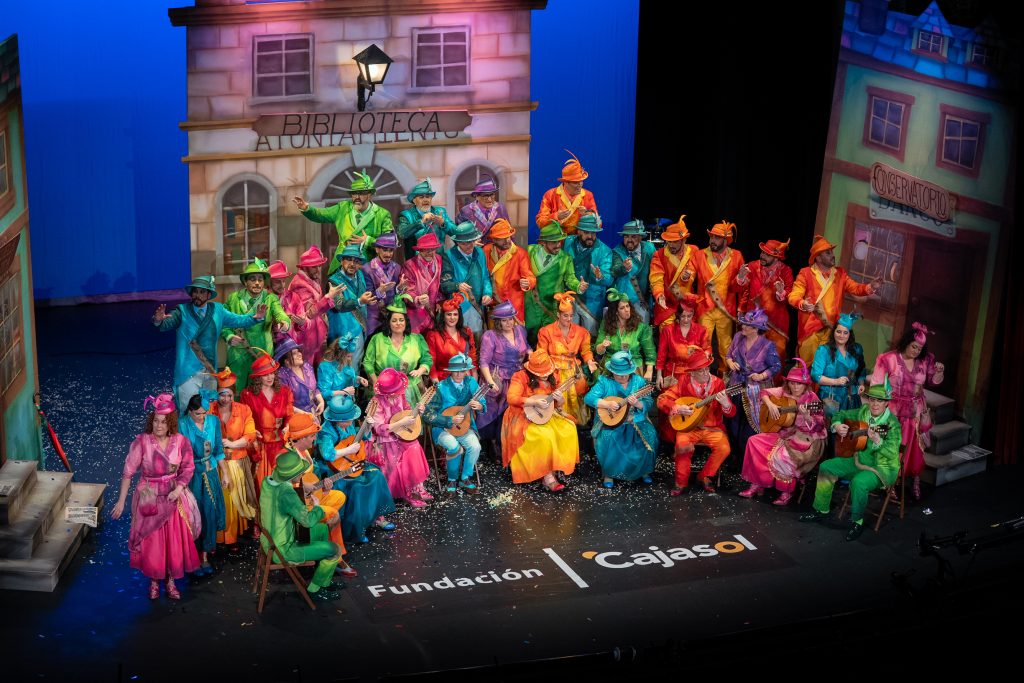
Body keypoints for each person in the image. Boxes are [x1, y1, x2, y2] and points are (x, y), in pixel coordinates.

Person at [111, 393, 201, 600]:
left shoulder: (181, 442)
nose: (158, 426)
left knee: (172, 542)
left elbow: (188, 468)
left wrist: (179, 488)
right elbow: (127, 473)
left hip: (172, 496)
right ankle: (154, 581)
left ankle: (170, 580)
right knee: (153, 543)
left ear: (170, 424)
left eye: (163, 422)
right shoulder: (142, 442)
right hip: (149, 496)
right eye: (155, 421)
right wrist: (121, 501)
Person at [799, 376, 902, 541]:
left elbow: (892, 453)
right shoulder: (863, 411)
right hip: (859, 460)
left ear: (887, 403)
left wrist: (878, 442)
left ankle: (857, 521)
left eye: (880, 401)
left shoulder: (892, 424)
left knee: (859, 482)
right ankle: (821, 510)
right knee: (826, 467)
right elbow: (840, 413)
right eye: (872, 399)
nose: (875, 404)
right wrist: (837, 425)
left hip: (881, 467)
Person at [153, 275, 264, 410]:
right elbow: (167, 323)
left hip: (210, 370)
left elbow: (237, 320)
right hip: (188, 372)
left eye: (202, 292)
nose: (197, 295)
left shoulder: (218, 310)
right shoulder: (182, 311)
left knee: (210, 410)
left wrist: (255, 318)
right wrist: (158, 320)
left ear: (209, 294)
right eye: (195, 291)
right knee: (188, 410)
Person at [869, 322, 946, 500]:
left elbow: (934, 381)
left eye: (920, 348)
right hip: (894, 410)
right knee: (894, 446)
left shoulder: (925, 360)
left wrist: (939, 371)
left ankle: (915, 479)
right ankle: (890, 481)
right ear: (906, 342)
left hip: (915, 411)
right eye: (914, 346)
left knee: (915, 448)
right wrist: (878, 407)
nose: (916, 351)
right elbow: (876, 384)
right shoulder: (888, 358)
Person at [739, 359, 827, 505]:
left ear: (805, 385)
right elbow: (764, 392)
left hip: (808, 438)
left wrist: (807, 417)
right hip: (785, 433)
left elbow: (819, 426)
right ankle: (757, 483)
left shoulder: (812, 399)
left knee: (782, 457)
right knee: (754, 441)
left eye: (799, 384)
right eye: (792, 383)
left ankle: (787, 491)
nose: (795, 387)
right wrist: (770, 404)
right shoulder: (784, 392)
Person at [259, 450, 343, 599]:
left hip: (269, 541)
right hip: (283, 550)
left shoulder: (268, 481)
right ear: (292, 475)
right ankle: (315, 589)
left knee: (322, 529)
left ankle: (322, 579)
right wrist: (317, 508)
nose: (302, 475)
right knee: (335, 550)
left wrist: (301, 490)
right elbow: (308, 521)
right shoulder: (287, 493)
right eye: (300, 472)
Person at [282, 413, 357, 579]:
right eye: (312, 435)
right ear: (302, 437)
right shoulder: (289, 457)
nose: (315, 438)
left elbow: (310, 480)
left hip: (310, 497)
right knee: (332, 515)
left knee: (338, 496)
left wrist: (322, 488)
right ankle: (336, 557)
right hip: (299, 506)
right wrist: (306, 494)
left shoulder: (304, 451)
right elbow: (286, 490)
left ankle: (321, 539)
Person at [788, 235, 880, 365]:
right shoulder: (806, 273)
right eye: (828, 253)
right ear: (818, 257)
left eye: (831, 252)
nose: (832, 255)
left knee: (825, 367)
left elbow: (856, 289)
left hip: (831, 329)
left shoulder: (840, 274)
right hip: (810, 329)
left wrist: (871, 287)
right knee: (805, 366)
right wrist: (803, 303)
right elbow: (793, 296)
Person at [316, 395, 396, 543]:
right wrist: (348, 450)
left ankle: (376, 517)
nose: (350, 422)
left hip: (354, 465)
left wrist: (368, 427)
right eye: (346, 420)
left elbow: (359, 438)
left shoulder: (350, 424)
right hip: (335, 471)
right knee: (357, 488)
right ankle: (356, 529)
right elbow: (327, 454)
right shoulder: (326, 432)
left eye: (351, 419)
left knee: (377, 476)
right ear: (336, 419)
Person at [657, 346, 736, 495]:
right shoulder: (684, 381)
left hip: (712, 427)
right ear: (692, 372)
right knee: (682, 446)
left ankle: (704, 476)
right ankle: (681, 483)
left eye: (707, 368)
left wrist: (726, 404)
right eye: (701, 370)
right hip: (689, 427)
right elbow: (662, 399)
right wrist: (677, 408)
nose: (706, 373)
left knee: (724, 448)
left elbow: (731, 413)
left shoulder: (718, 383)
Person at [501, 350, 580, 492]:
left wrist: (560, 400)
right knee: (545, 436)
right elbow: (511, 398)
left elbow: (556, 404)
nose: (545, 376)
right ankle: (547, 477)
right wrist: (533, 401)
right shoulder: (520, 376)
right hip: (522, 415)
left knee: (569, 428)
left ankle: (556, 466)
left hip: (546, 414)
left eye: (546, 373)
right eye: (541, 374)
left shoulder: (554, 376)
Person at [294, 169, 395, 271]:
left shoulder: (382, 215)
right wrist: (306, 208)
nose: (357, 197)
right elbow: (320, 214)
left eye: (361, 193)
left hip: (367, 268)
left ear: (369, 194)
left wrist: (368, 241)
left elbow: (390, 242)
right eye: (354, 194)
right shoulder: (343, 208)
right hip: (343, 264)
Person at [584, 351, 657, 488]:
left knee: (649, 435)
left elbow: (648, 401)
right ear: (612, 371)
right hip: (611, 422)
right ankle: (609, 473)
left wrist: (638, 404)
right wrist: (607, 404)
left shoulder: (639, 381)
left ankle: (643, 471)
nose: (623, 377)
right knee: (609, 437)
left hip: (635, 420)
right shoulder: (604, 381)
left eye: (626, 373)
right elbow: (589, 398)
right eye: (619, 374)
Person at [221, 258, 291, 391]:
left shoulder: (270, 298)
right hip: (238, 356)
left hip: (262, 356)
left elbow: (280, 314)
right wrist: (228, 336)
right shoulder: (233, 298)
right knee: (236, 392)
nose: (257, 283)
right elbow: (223, 321)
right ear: (245, 282)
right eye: (253, 279)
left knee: (260, 393)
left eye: (260, 279)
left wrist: (285, 323)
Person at [425, 353, 489, 495]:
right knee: (454, 447)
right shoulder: (441, 387)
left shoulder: (471, 382)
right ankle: (452, 479)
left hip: (464, 427)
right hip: (443, 428)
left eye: (463, 371)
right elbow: (427, 415)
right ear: (450, 371)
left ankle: (465, 478)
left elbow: (482, 402)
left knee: (475, 446)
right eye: (456, 371)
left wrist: (479, 406)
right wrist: (449, 420)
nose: (460, 374)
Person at [368, 368, 433, 508]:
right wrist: (400, 423)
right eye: (394, 393)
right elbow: (379, 429)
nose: (397, 394)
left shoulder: (400, 395)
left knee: (415, 447)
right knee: (399, 459)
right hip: (386, 440)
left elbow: (407, 411)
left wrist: (417, 412)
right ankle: (407, 493)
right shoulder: (376, 402)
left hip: (403, 435)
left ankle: (417, 488)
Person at [178, 391, 226, 576]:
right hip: (191, 475)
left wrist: (225, 473)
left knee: (209, 513)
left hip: (210, 473)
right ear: (190, 411)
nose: (202, 416)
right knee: (193, 515)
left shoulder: (213, 421)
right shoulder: (182, 424)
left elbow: (218, 450)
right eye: (198, 413)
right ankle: (193, 557)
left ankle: (205, 555)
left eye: (204, 413)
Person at [477, 301, 531, 462]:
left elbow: (527, 347)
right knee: (495, 413)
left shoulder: (520, 330)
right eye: (504, 320)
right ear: (498, 322)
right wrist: (490, 382)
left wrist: (532, 354)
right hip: (497, 377)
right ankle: (494, 444)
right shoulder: (490, 336)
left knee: (514, 412)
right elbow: (483, 362)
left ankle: (512, 442)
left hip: (517, 377)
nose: (508, 323)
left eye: (511, 319)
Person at [536, 292, 599, 424]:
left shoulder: (581, 332)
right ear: (558, 315)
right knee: (556, 400)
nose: (569, 319)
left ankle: (575, 426)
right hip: (554, 372)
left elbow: (586, 351)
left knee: (578, 398)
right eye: (565, 316)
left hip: (573, 372)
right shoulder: (546, 331)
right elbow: (541, 353)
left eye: (571, 316)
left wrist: (589, 361)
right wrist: (545, 373)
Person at [212, 369, 258, 548]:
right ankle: (217, 538)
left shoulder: (244, 410)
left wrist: (232, 444)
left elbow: (250, 435)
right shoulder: (209, 410)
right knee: (220, 501)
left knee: (235, 501)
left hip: (237, 463)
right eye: (222, 395)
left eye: (229, 395)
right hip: (217, 464)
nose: (226, 399)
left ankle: (232, 538)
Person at [693, 220, 745, 372]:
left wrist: (740, 279)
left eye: (716, 237)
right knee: (703, 344)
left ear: (725, 240)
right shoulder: (700, 255)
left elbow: (740, 288)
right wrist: (686, 276)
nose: (712, 240)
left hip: (726, 309)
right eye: (711, 237)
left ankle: (725, 377)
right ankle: (702, 376)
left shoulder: (736, 256)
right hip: (705, 307)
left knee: (726, 346)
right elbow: (689, 277)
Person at [362, 299, 432, 405]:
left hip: (411, 389)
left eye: (401, 320)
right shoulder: (377, 339)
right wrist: (376, 382)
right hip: (385, 389)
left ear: (406, 322)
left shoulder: (416, 339)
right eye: (394, 320)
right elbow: (368, 362)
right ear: (388, 323)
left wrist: (420, 370)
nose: (398, 323)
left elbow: (427, 359)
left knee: (411, 415)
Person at [283, 246, 343, 366]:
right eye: (314, 267)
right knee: (307, 370)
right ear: (305, 267)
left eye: (319, 266)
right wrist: (328, 297)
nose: (318, 270)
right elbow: (310, 313)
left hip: (316, 337)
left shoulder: (312, 280)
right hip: (306, 338)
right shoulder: (300, 284)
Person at [241, 352, 294, 487]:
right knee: (263, 486)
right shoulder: (248, 395)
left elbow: (289, 414)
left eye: (272, 373)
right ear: (258, 377)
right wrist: (251, 431)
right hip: (260, 447)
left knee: (282, 485)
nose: (270, 377)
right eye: (265, 375)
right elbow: (245, 419)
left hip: (280, 445)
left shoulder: (285, 391)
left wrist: (287, 426)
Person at [525, 222, 588, 335]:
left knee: (550, 337)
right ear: (543, 242)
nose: (558, 245)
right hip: (531, 306)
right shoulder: (530, 251)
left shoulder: (565, 258)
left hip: (551, 307)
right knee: (530, 338)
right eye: (554, 242)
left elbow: (570, 278)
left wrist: (579, 286)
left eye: (559, 241)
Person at [735, 238, 793, 359]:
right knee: (750, 356)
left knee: (776, 357)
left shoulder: (786, 271)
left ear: (776, 257)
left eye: (767, 254)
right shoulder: (752, 266)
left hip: (776, 322)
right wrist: (740, 277)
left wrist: (781, 292)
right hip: (753, 321)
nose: (762, 256)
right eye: (762, 252)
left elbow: (790, 296)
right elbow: (739, 290)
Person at [326, 244, 378, 364]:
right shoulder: (334, 281)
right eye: (349, 259)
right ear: (341, 261)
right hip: (342, 331)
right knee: (340, 365)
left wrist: (379, 292)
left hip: (360, 329)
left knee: (356, 365)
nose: (352, 264)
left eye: (356, 261)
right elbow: (339, 304)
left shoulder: (360, 275)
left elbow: (365, 296)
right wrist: (360, 301)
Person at [440, 221, 494, 336]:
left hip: (479, 304)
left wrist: (487, 293)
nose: (468, 245)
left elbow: (485, 277)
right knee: (465, 337)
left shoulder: (480, 252)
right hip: (460, 307)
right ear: (458, 242)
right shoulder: (449, 256)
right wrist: (457, 286)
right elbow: (444, 285)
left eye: (471, 242)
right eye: (464, 243)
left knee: (478, 335)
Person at [563, 213, 613, 336]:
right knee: (569, 335)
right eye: (586, 232)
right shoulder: (568, 242)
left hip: (592, 301)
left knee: (590, 336)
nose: (590, 236)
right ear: (579, 231)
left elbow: (609, 279)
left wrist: (600, 276)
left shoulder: (605, 251)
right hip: (570, 297)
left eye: (593, 233)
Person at [810, 313, 866, 420]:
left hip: (851, 399)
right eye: (838, 331)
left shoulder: (857, 349)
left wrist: (861, 384)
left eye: (845, 332)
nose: (841, 335)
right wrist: (836, 381)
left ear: (850, 334)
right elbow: (815, 376)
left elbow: (861, 369)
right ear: (833, 332)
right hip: (830, 398)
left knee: (849, 427)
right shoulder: (823, 350)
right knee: (829, 426)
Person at [594, 289, 655, 381]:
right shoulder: (606, 324)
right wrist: (603, 345)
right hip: (611, 365)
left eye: (627, 306)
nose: (627, 310)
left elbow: (649, 350)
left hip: (633, 365)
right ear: (616, 311)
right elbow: (598, 349)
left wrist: (649, 371)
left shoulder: (641, 327)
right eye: (622, 308)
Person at [483, 218, 535, 325]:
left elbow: (530, 277)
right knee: (494, 333)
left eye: (508, 237)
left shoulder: (520, 254)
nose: (507, 241)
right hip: (493, 305)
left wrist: (527, 282)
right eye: (502, 239)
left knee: (514, 333)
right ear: (494, 240)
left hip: (513, 305)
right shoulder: (486, 251)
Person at [649, 216, 698, 328]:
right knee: (667, 332)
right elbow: (656, 278)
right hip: (667, 304)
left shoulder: (694, 251)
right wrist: (659, 295)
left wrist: (687, 278)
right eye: (669, 241)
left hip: (687, 303)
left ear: (684, 240)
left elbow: (697, 273)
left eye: (675, 242)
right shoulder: (659, 255)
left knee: (686, 336)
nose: (671, 245)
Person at [535, 151, 598, 236]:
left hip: (579, 240)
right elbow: (540, 222)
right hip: (556, 240)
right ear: (566, 182)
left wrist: (587, 215)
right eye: (576, 182)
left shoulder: (588, 195)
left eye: (581, 181)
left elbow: (598, 224)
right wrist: (556, 216)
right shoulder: (550, 195)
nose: (580, 185)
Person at [655, 294, 710, 389]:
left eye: (689, 316)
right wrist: (659, 375)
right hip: (673, 374)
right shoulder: (668, 330)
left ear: (693, 314)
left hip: (694, 374)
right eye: (683, 316)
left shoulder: (702, 330)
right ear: (678, 315)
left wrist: (705, 354)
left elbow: (707, 349)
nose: (686, 319)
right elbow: (661, 355)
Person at [396, 178, 457, 261]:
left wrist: (443, 223)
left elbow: (456, 232)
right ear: (414, 201)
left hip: (438, 262)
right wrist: (421, 222)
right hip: (416, 263)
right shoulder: (407, 215)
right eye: (421, 197)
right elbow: (402, 233)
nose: (425, 200)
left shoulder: (440, 212)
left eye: (428, 197)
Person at [611, 219, 658, 323]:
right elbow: (615, 270)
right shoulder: (617, 251)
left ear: (640, 237)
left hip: (643, 301)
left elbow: (657, 268)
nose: (629, 240)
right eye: (626, 236)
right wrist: (624, 268)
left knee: (643, 330)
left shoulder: (649, 248)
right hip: (625, 301)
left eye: (633, 236)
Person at [426, 294, 478, 382]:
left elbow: (472, 360)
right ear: (443, 316)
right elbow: (431, 364)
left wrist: (474, 383)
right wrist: (438, 386)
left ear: (459, 316)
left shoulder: (467, 332)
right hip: (444, 381)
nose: (452, 318)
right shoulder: (434, 335)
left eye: (455, 314)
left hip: (466, 380)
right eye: (449, 314)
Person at [362, 232, 406, 334]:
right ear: (377, 250)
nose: (388, 254)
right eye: (385, 250)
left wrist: (399, 289)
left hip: (392, 315)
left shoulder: (397, 268)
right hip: (374, 316)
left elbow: (397, 295)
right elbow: (367, 297)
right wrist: (380, 291)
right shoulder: (367, 269)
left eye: (391, 250)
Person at [401, 232, 444, 334]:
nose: (429, 252)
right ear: (419, 250)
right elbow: (406, 290)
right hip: (416, 315)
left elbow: (440, 285)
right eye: (425, 250)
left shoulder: (439, 260)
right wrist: (417, 299)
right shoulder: (410, 265)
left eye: (432, 249)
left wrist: (439, 301)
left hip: (433, 313)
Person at [274, 337, 325, 418]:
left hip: (314, 414)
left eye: (298, 351)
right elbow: (284, 404)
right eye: (294, 353)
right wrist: (305, 414)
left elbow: (315, 389)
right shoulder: (281, 376)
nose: (299, 354)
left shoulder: (307, 366)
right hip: (296, 419)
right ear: (286, 361)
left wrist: (321, 401)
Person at [456, 175, 510, 244]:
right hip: (476, 249)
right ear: (477, 196)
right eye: (485, 195)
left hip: (497, 249)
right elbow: (459, 236)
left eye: (492, 195)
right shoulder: (466, 212)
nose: (490, 199)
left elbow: (509, 232)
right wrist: (471, 243)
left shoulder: (501, 208)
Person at [317, 333, 368, 401]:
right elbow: (323, 393)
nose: (350, 358)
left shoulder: (346, 363)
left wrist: (358, 379)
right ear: (340, 354)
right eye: (348, 356)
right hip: (332, 405)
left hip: (347, 402)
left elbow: (348, 379)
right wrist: (343, 392)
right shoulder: (326, 368)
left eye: (351, 356)